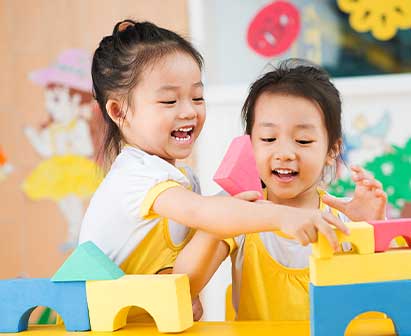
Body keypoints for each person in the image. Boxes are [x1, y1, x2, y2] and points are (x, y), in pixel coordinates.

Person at [173, 59, 387, 321]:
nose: (284, 153)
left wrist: (369, 228)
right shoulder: (241, 211)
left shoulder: (343, 217)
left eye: (303, 140)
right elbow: (183, 285)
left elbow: (379, 303)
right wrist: (217, 219)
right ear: (249, 145)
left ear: (332, 150)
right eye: (268, 139)